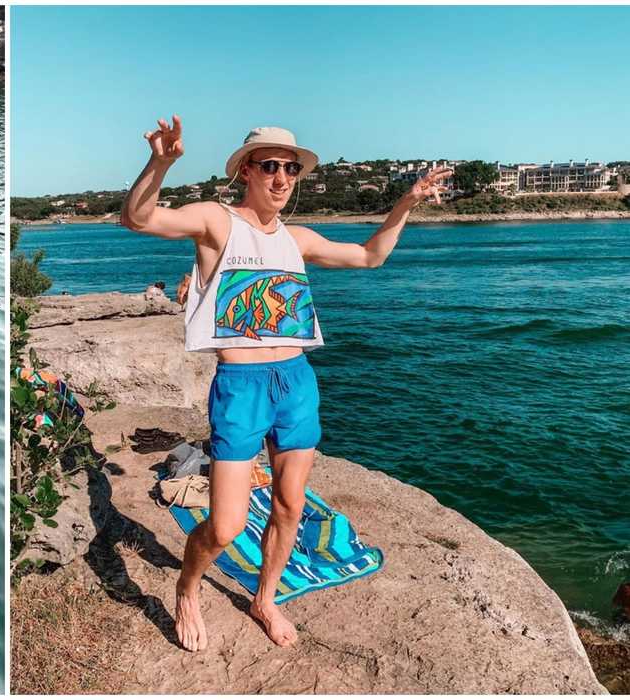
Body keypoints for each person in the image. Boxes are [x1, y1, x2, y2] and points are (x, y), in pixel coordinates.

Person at [120, 119, 449, 650]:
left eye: (290, 168)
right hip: (241, 385)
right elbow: (137, 218)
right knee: (225, 526)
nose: (281, 177)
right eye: (269, 165)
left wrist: (407, 202)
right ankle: (187, 588)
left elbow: (371, 255)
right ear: (246, 171)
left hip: (296, 381)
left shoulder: (298, 239)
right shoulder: (216, 222)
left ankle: (265, 598)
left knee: (290, 505)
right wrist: (161, 163)